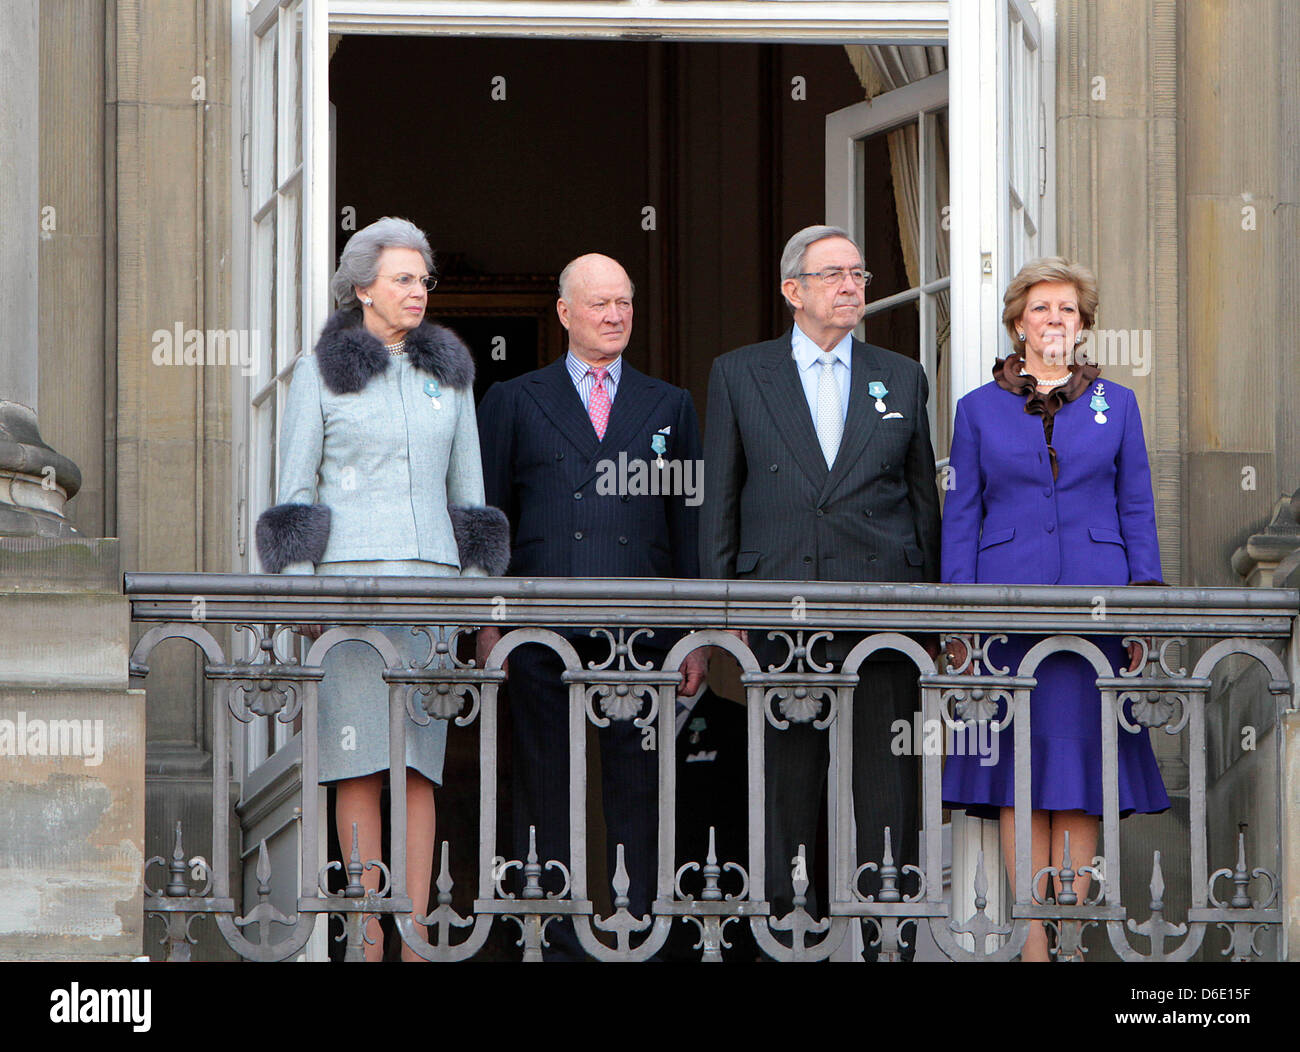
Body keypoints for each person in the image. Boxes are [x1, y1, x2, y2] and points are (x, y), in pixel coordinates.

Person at [255, 216, 509, 961]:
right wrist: (303, 596)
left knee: (419, 769)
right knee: (357, 763)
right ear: (361, 287)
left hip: (430, 598)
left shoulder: (450, 373)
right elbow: (295, 493)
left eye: (423, 279)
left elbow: (472, 498)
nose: (418, 291)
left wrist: (469, 595)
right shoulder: (321, 371)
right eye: (402, 278)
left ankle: (418, 939)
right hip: (352, 599)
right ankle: (368, 941)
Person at [698, 225, 941, 953]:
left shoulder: (901, 376)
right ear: (792, 291)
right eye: (833, 274)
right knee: (785, 786)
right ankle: (781, 938)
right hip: (781, 606)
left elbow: (922, 499)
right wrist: (722, 611)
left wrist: (930, 614)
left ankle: (885, 938)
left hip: (884, 609)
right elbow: (722, 500)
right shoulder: (739, 373)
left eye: (859, 274)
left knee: (886, 790)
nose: (851, 286)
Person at [475, 253, 706, 960]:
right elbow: (490, 519)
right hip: (541, 624)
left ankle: (644, 931)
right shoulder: (516, 398)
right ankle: (550, 934)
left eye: (625, 303)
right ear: (565, 312)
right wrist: (488, 621)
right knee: (546, 781)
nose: (614, 315)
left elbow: (686, 523)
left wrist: (695, 630)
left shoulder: (669, 404)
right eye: (600, 303)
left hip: (641, 628)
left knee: (639, 784)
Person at [940, 256, 1170, 961]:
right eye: (1041, 309)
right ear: (1018, 323)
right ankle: (1033, 941)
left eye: (1067, 310)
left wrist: (1144, 609)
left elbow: (1137, 506)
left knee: (1081, 772)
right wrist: (958, 619)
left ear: (1084, 325)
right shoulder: (978, 409)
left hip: (1096, 613)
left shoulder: (1119, 405)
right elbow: (962, 514)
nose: (1053, 321)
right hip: (1006, 613)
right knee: (1019, 775)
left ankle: (1070, 932)